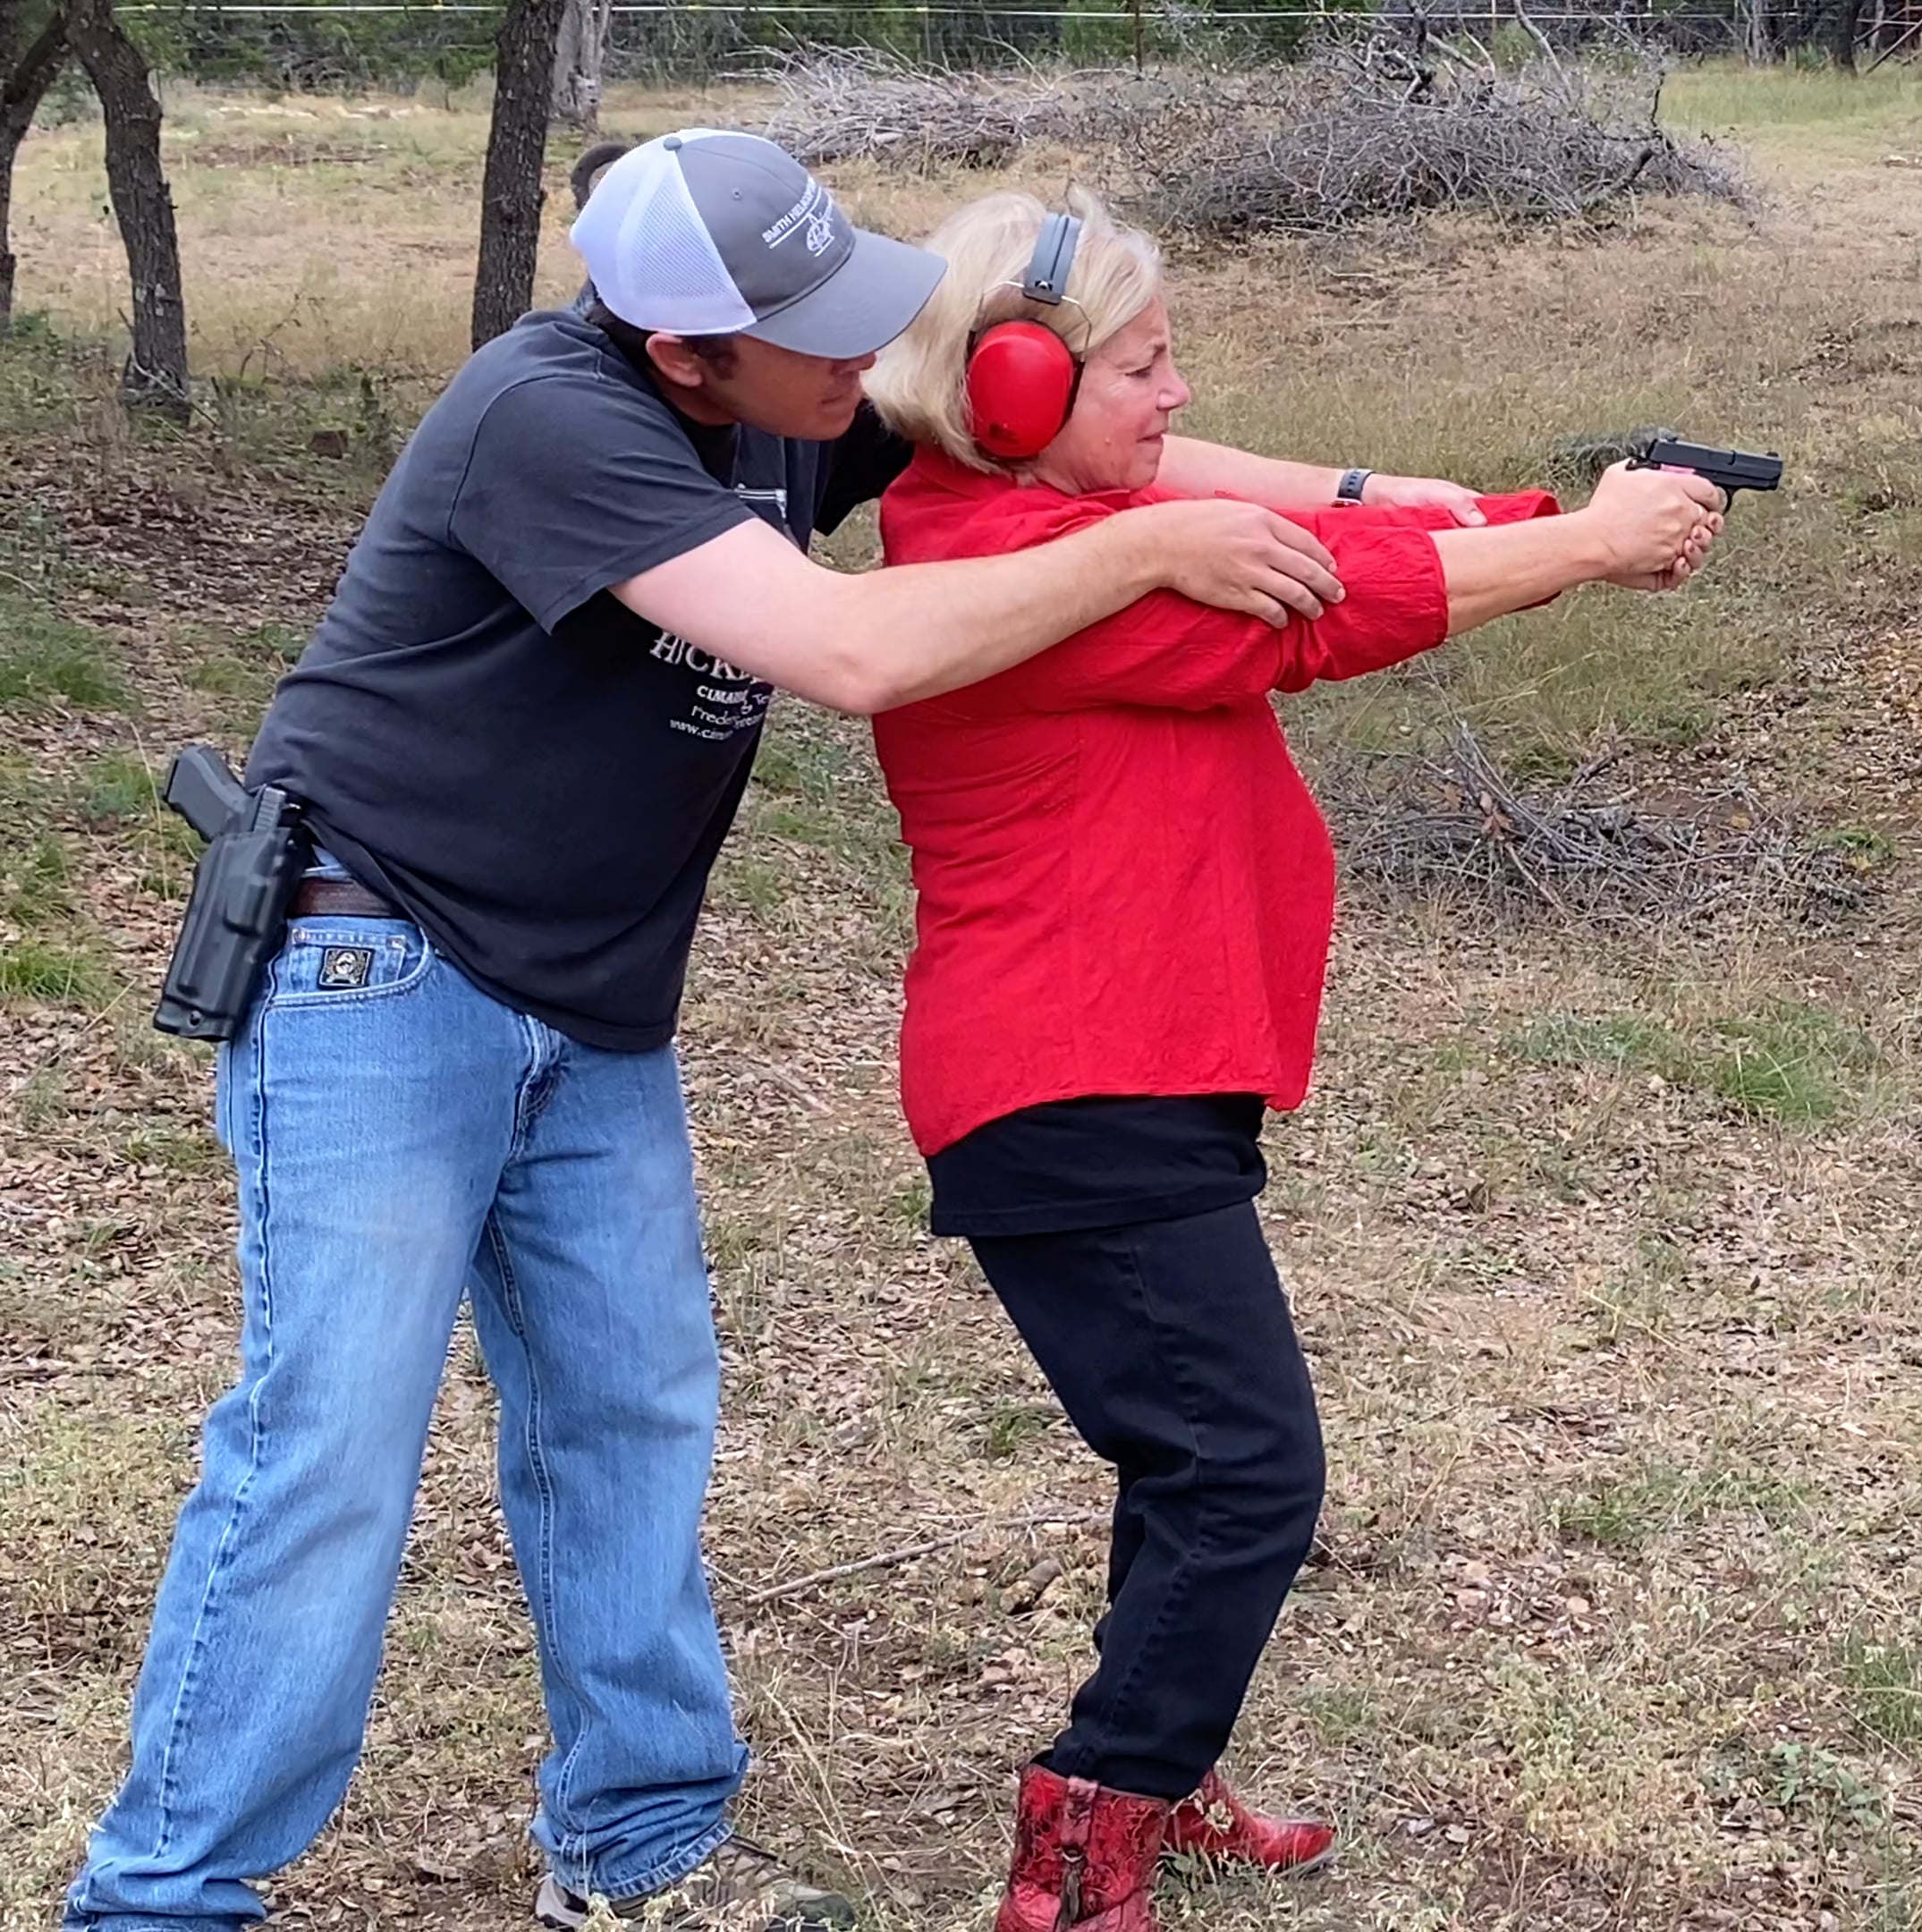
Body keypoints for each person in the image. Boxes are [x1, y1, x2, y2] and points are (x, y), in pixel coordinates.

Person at [60, 130, 1489, 1932]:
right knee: (330, 1451)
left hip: (587, 1002)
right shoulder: (555, 423)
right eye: (818, 341)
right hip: (382, 975)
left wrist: (1359, 491)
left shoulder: (780, 390)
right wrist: (1152, 559)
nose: (859, 374)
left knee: (631, 1422)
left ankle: (642, 1851)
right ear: (684, 351)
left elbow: (1022, 424)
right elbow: (853, 650)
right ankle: (165, 1897)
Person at [852, 187, 1724, 1932]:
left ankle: (1151, 1783)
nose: (1178, 400)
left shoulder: (1057, 505)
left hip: (1133, 1067)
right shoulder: (1008, 572)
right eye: (1147, 366)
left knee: (1186, 1461)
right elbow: (1326, 614)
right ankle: (1084, 1837)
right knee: (1250, 1473)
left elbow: (1343, 538)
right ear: (1016, 389)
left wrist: (1548, 520)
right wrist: (1584, 549)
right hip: (1070, 1085)